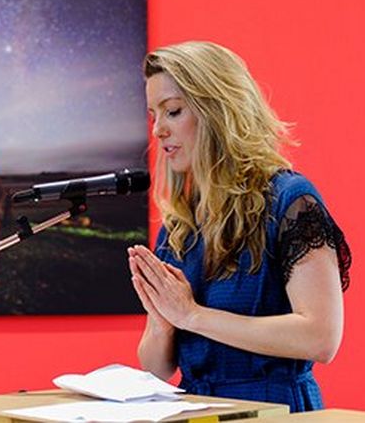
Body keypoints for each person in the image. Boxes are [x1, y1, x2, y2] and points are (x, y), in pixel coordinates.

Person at [129, 41, 351, 412]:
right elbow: (156, 369)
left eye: (173, 112)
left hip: (274, 412)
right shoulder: (181, 224)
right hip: (196, 412)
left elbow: (321, 337)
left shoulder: (290, 200)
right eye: (153, 115)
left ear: (218, 110)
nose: (158, 131)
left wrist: (193, 316)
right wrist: (162, 320)